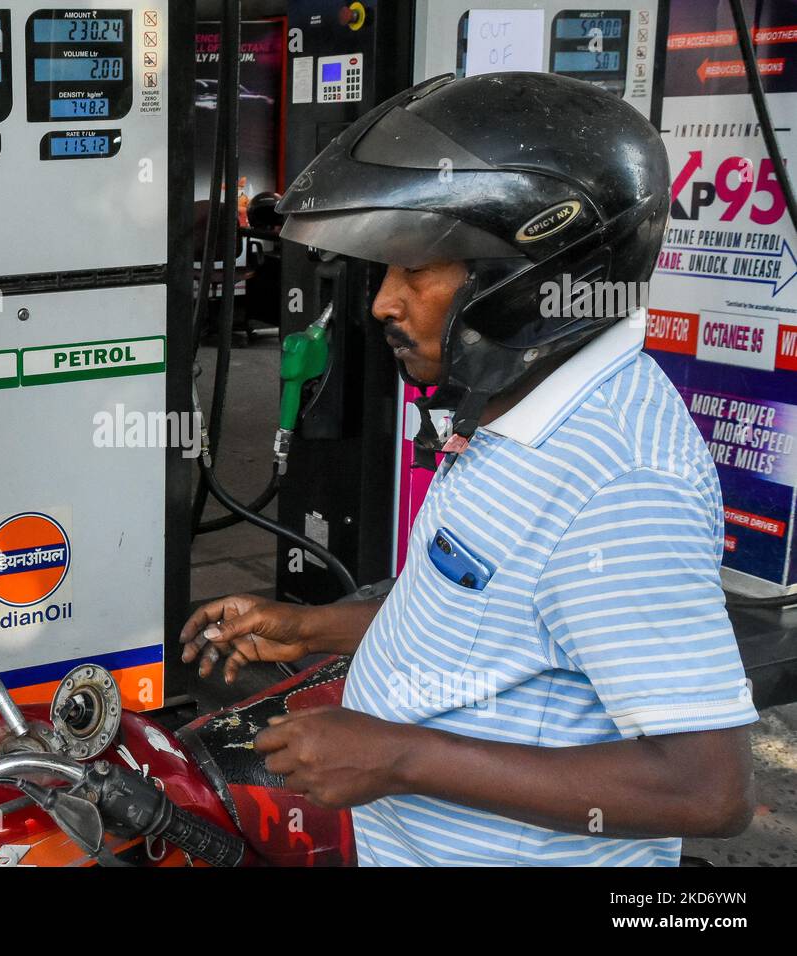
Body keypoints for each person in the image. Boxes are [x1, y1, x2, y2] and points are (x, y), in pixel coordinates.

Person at [181, 72, 758, 866]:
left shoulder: (620, 479)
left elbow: (707, 790)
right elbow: (485, 627)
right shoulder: (515, 409)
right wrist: (306, 628)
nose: (384, 303)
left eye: (417, 270)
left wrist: (398, 756)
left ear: (540, 280)